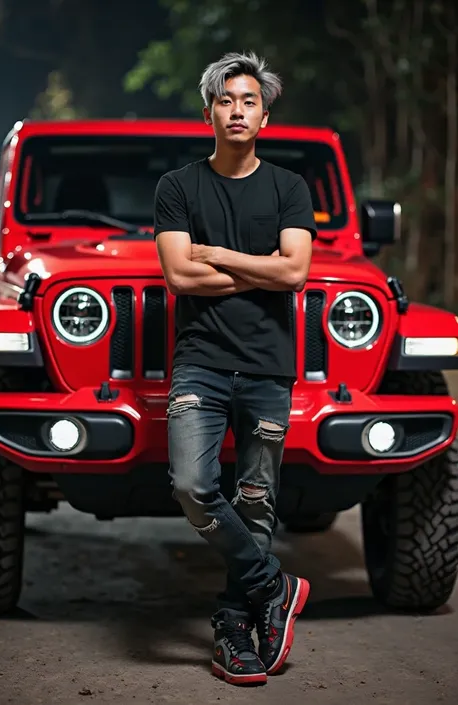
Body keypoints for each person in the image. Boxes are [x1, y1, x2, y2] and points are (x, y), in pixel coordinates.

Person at [153, 51, 317, 686]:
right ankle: (274, 585)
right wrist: (260, 268)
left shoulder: (288, 188)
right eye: (227, 100)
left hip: (270, 367)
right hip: (200, 365)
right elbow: (176, 275)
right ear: (209, 113)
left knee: (256, 504)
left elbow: (295, 272)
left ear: (264, 116)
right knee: (192, 486)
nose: (238, 110)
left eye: (249, 101)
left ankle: (235, 628)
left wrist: (218, 255)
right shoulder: (178, 187)